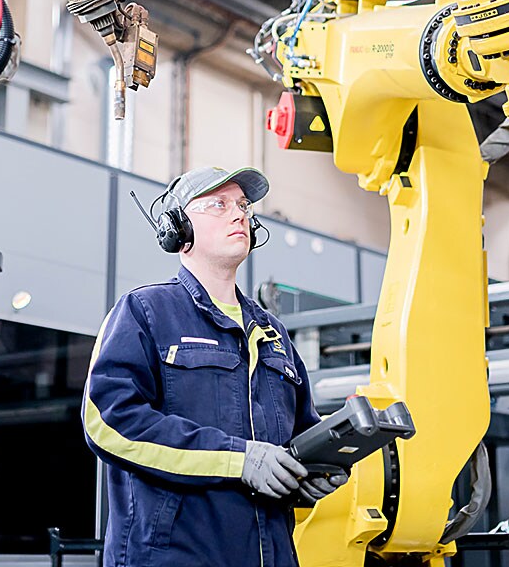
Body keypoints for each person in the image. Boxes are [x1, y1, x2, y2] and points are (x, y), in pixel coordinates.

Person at [82, 166, 349, 566]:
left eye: (243, 205)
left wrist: (316, 468)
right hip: (174, 557)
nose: (239, 214)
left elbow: (300, 433)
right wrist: (237, 459)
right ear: (178, 228)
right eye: (218, 204)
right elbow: (108, 422)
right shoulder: (146, 312)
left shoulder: (272, 332)